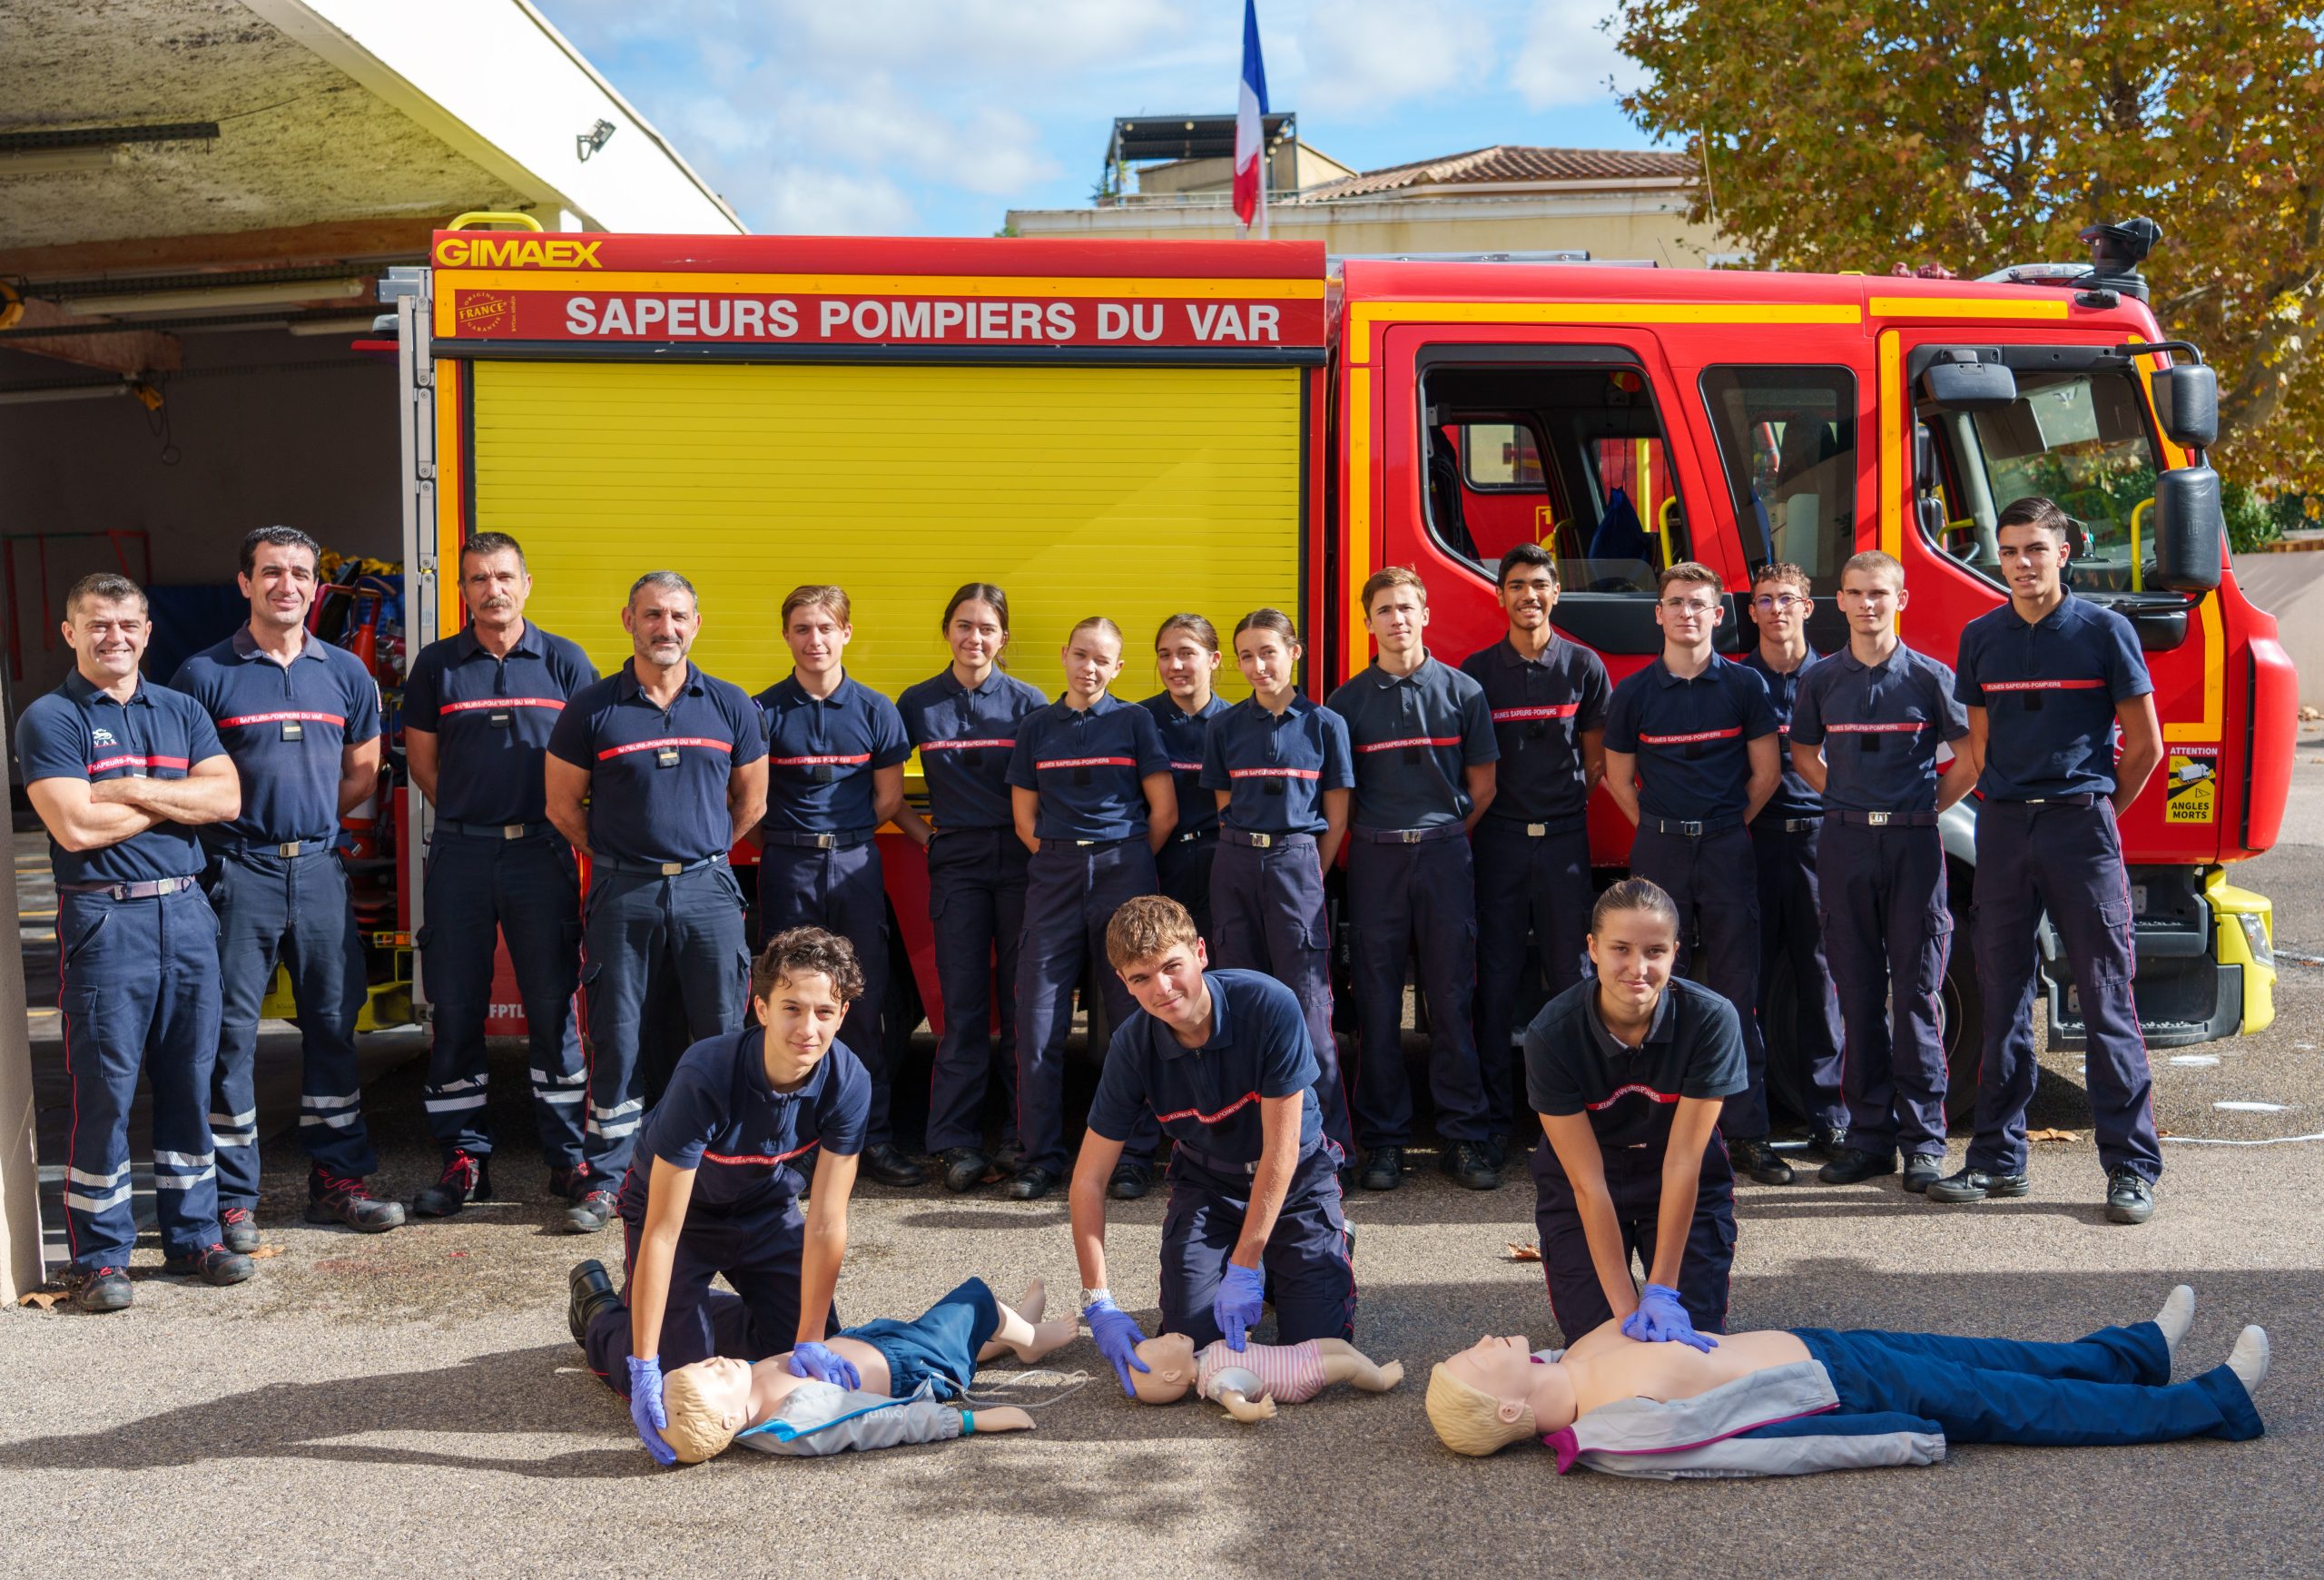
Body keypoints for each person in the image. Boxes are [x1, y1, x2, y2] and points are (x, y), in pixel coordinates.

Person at [19, 572, 249, 1309]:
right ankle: (102, 1257)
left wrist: (125, 789)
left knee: (189, 1079)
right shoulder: (50, 719)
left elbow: (227, 799)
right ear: (70, 632)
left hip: (185, 914)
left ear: (148, 632)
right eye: (98, 624)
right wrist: (171, 798)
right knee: (107, 1091)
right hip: (104, 919)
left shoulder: (181, 709)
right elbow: (76, 827)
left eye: (127, 624)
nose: (114, 636)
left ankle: (194, 1239)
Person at [1939, 497, 2165, 1222]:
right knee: (2002, 999)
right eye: (2009, 552)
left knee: (2106, 1000)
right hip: (2003, 830)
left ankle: (2131, 1169)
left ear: (2063, 552)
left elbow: (2147, 747)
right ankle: (1998, 1161)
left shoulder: (2105, 632)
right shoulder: (1980, 638)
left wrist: (2093, 814)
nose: (2022, 564)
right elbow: (1978, 749)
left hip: (2080, 830)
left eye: (2035, 549)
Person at [172, 526, 399, 1236]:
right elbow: (185, 782)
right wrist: (261, 833)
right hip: (238, 875)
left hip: (322, 872)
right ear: (245, 583)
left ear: (316, 585)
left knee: (333, 1029)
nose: (287, 585)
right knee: (231, 1036)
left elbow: (363, 768)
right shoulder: (204, 676)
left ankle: (337, 1182)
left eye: (300, 573)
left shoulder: (345, 673)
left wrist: (303, 827)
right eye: (271, 572)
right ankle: (233, 1198)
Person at [1424, 1285, 2268, 1475]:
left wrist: (1656, 1299)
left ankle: (2132, 1352)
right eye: (1475, 1356)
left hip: (1825, 1344)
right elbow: (1757, 1453)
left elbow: (1666, 1318)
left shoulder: (1571, 1357)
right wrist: (1889, 1443)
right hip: (1843, 1391)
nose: (1483, 1339)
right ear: (1507, 1404)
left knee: (1990, 1357)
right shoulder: (1615, 1431)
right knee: (2019, 1406)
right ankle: (2207, 1403)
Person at [575, 927, 870, 1465]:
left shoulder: (849, 1082)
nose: (808, 1029)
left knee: (800, 1364)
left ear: (842, 1014)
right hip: (680, 1220)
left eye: (825, 1012)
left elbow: (827, 1222)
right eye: (791, 1008)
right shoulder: (707, 1073)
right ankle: (602, 1318)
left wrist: (809, 1337)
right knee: (675, 1377)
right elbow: (663, 1230)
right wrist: (645, 1361)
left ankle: (686, 1310)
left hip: (765, 1212)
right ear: (760, 1007)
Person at [545, 571, 768, 1232]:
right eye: (651, 615)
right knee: (616, 1033)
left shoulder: (729, 705)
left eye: (676, 616)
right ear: (628, 621)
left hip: (708, 889)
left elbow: (751, 802)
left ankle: (727, 1169)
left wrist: (698, 857)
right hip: (624, 890)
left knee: (724, 1032)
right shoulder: (591, 709)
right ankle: (610, 1178)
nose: (664, 627)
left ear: (696, 624)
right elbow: (562, 806)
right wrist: (623, 860)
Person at [1069, 896, 1357, 1397]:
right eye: (1140, 978)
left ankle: (1309, 1246)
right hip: (1208, 1183)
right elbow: (1089, 1180)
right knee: (1194, 1346)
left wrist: (1244, 1267)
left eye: (1171, 967)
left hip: (1295, 1181)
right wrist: (1099, 1302)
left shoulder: (1268, 1006)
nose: (1161, 989)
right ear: (1122, 982)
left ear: (1200, 952)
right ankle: (1260, 1262)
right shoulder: (1132, 1046)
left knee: (1314, 1353)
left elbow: (1282, 1152)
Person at [399, 531, 597, 1222]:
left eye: (504, 576)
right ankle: (463, 1160)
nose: (493, 589)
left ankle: (567, 1158)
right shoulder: (436, 667)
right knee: (455, 1008)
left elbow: (589, 759)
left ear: (526, 583)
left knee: (553, 1007)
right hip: (460, 855)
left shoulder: (567, 662)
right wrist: (470, 816)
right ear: (464, 590)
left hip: (541, 853)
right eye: (479, 579)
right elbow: (424, 766)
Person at [1787, 551, 1974, 1190]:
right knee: (1857, 995)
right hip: (1842, 846)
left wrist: (1923, 808)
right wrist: (1840, 795)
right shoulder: (1820, 682)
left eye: (1881, 593)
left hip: (1913, 848)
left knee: (1917, 995)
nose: (1869, 604)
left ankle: (1924, 1142)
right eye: (1857, 593)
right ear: (1838, 601)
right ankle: (1869, 1139)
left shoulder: (1929, 677)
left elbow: (1970, 759)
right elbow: (1803, 751)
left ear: (1902, 600)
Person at [1600, 561, 1787, 1185]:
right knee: (1648, 992)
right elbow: (1621, 781)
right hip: (1659, 855)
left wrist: (1723, 825)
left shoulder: (1744, 688)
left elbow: (1766, 775)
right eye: (1675, 602)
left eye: (1697, 604)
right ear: (1659, 615)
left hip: (1728, 849)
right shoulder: (1632, 694)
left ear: (1716, 615)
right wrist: (1661, 828)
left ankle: (1747, 1133)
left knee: (1737, 993)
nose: (1686, 613)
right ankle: (1654, 1131)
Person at [1324, 566, 1500, 1194]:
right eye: (1385, 610)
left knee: (1452, 1001)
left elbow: (1482, 788)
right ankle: (1386, 1142)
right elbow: (1340, 799)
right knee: (1375, 1005)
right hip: (1375, 862)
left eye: (1407, 608)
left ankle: (1464, 1136)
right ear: (1367, 622)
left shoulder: (1465, 693)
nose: (1397, 619)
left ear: (1425, 614)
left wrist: (1441, 833)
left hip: (1444, 857)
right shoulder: (1345, 704)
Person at [1521, 878, 1743, 1345]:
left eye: (1655, 951)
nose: (1637, 968)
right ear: (1593, 949)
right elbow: (1587, 1183)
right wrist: (1627, 1315)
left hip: (1677, 1174)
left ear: (1675, 952)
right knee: (1603, 1342)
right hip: (1589, 1180)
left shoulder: (1711, 1019)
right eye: (1620, 948)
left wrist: (1661, 1291)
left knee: (1691, 1337)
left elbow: (1684, 1165)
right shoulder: (1552, 1033)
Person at [752, 585, 918, 1188]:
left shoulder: (876, 710)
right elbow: (748, 796)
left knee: (861, 1005)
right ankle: (789, 1141)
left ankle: (869, 1137)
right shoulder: (763, 711)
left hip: (855, 864)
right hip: (787, 867)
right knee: (787, 1004)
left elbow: (889, 798)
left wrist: (841, 838)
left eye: (825, 627)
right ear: (786, 636)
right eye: (801, 628)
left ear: (845, 632)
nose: (814, 639)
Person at [1005, 616, 1176, 1203]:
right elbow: (1023, 817)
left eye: (1102, 659)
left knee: (1134, 1022)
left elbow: (1164, 812)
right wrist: (1066, 858)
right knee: (1038, 1024)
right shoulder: (1035, 727)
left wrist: (1117, 858)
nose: (1090, 667)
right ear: (1064, 655)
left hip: (1124, 871)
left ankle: (1133, 1157)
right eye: (1081, 655)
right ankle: (1039, 1158)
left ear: (1118, 667)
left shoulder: (1135, 722)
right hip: (1052, 874)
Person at [1459, 544, 1610, 1172]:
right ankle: (1493, 1125)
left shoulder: (1583, 666)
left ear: (1555, 593)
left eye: (1540, 585)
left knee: (1573, 981)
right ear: (1501, 596)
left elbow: (1597, 759)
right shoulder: (1476, 673)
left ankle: (1577, 1122)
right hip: (1497, 842)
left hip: (1565, 845)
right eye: (1516, 585)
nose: (1529, 595)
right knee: (1492, 984)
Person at [570, 1272, 1067, 1463]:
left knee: (956, 1330)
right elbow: (877, 1423)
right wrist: (970, 1421)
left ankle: (1002, 1334)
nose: (715, 1361)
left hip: (869, 1342)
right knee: (974, 1301)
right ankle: (1029, 1341)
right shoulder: (796, 1416)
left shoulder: (745, 1391)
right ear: (728, 1421)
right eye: (714, 1373)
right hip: (913, 1366)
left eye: (703, 1364)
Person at [895, 584, 1048, 1193]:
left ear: (1002, 637)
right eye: (964, 625)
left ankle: (1020, 1138)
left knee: (1020, 1007)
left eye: (987, 627)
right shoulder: (917, 704)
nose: (974, 637)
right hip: (955, 859)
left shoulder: (1028, 704)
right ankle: (952, 1143)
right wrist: (927, 837)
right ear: (947, 630)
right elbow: (885, 790)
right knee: (959, 1010)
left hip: (1019, 862)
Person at [1199, 608, 1354, 1156]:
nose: (1258, 664)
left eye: (1268, 651)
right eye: (1246, 655)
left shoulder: (1324, 724)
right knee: (1237, 1001)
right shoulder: (1224, 727)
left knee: (1309, 1007)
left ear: (1295, 652)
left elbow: (1336, 818)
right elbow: (1224, 807)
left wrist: (1305, 866)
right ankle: (1245, 1144)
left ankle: (1328, 1148)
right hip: (1235, 863)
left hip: (1297, 865)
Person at [1736, 561, 1846, 1157]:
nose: (1777, 609)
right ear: (1751, 613)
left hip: (1815, 843)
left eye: (1788, 599)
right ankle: (1747, 1122)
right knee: (1743, 983)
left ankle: (1829, 1114)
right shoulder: (1732, 681)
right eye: (1765, 600)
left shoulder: (1834, 678)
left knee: (1819, 980)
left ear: (1808, 608)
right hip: (1751, 842)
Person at [1141, 614, 1229, 943]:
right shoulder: (1138, 720)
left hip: (1218, 866)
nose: (1174, 664)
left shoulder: (1236, 722)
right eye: (1164, 655)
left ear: (1214, 659)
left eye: (1186, 653)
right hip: (1159, 864)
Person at [1124, 1331, 1403, 1421]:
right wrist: (1256, 1411)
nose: (1166, 1336)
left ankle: (1374, 1368)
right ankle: (1378, 1381)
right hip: (1295, 1378)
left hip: (1293, 1353)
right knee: (1345, 1365)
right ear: (1171, 1374)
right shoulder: (1215, 1381)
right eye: (1161, 1344)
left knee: (1340, 1345)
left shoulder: (1205, 1352)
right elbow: (1236, 1404)